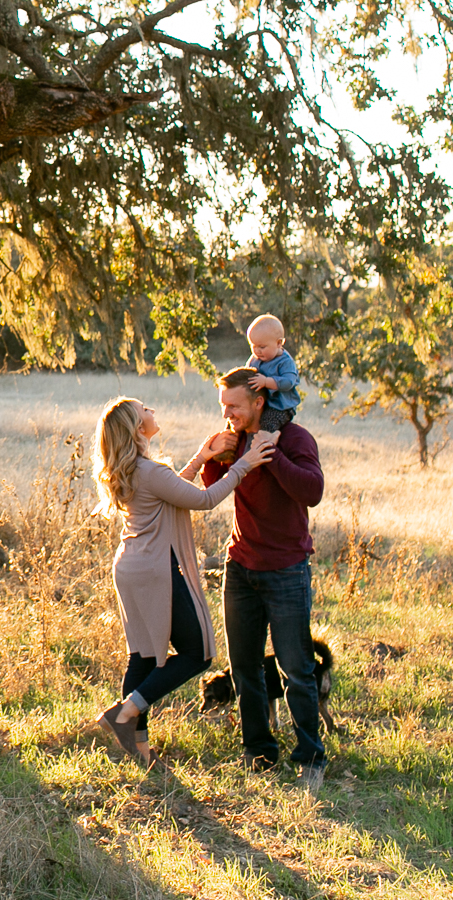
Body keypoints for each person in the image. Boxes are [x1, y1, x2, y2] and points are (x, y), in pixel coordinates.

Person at [93, 396, 274, 768]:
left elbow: (172, 492)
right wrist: (244, 465)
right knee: (198, 653)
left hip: (130, 568)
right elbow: (203, 499)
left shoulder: (130, 470)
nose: (153, 412)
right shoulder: (149, 470)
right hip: (156, 570)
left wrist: (201, 457)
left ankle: (139, 748)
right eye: (145, 410)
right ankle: (126, 711)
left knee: (143, 656)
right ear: (135, 426)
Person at [203, 367, 328, 791]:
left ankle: (311, 757)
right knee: (245, 668)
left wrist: (272, 455)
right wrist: (211, 456)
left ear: (259, 401)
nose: (227, 413)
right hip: (240, 567)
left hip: (287, 569)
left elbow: (312, 492)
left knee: (296, 668)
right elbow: (211, 491)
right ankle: (259, 752)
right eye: (223, 406)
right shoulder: (232, 439)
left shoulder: (295, 439)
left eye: (234, 405)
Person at [244, 314, 301, 433]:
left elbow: (288, 382)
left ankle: (267, 442)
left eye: (262, 347)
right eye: (253, 346)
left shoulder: (285, 362)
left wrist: (266, 382)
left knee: (267, 423)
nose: (257, 351)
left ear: (279, 343)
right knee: (240, 416)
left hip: (279, 406)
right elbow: (247, 373)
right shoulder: (255, 358)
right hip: (260, 402)